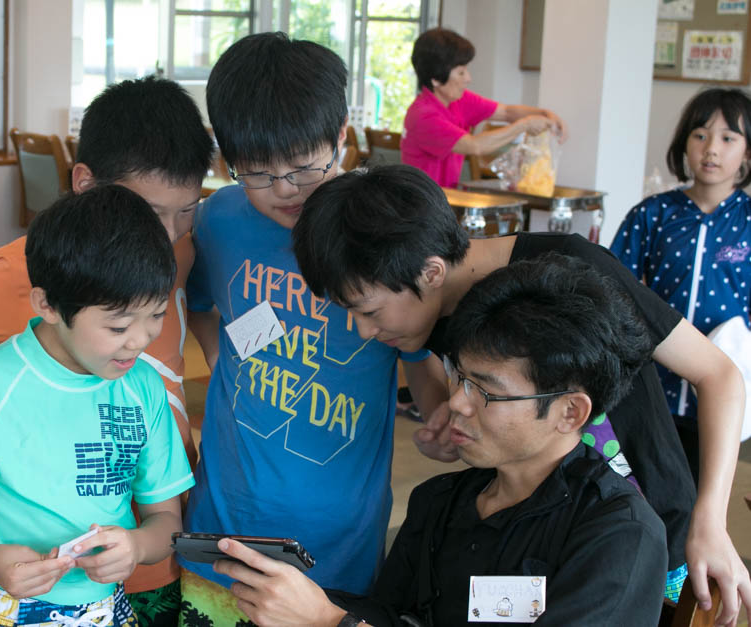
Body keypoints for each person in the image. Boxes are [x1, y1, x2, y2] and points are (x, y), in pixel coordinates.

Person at [291, 165, 751, 625]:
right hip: (526, 537)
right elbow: (467, 425)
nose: (363, 331)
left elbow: (719, 375)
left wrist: (710, 520)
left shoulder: (568, 275)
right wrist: (450, 431)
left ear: (430, 272)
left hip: (642, 528)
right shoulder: (423, 318)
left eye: (368, 311)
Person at [0, 76, 213, 624]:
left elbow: (164, 519)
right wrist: (1, 429)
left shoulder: (169, 260)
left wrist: (141, 544)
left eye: (185, 211)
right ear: (85, 183)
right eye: (151, 209)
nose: (166, 231)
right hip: (12, 594)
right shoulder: (26, 277)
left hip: (129, 575)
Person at [213, 254, 669, 626]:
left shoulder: (619, 535)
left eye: (486, 391)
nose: (457, 404)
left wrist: (330, 622)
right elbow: (390, 614)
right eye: (460, 379)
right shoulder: (441, 501)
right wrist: (300, 602)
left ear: (571, 412)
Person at [180, 32, 445, 624]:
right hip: (223, 525)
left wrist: (439, 413)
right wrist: (222, 357)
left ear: (342, 135)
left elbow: (418, 347)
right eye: (257, 172)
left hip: (338, 548)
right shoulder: (219, 221)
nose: (284, 189)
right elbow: (201, 305)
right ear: (226, 160)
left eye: (304, 165)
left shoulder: (378, 231)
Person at [610, 87, 751, 484]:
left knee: (704, 495)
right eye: (700, 135)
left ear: (748, 152)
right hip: (655, 385)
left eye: (728, 138)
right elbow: (610, 282)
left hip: (725, 387)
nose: (712, 149)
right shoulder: (652, 214)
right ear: (684, 142)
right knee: (648, 488)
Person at [400, 27, 567, 188]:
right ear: (435, 79)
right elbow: (475, 146)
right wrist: (525, 125)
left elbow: (507, 112)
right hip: (419, 209)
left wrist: (546, 114)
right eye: (461, 73)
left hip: (443, 200)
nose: (468, 78)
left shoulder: (458, 100)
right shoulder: (422, 116)